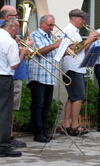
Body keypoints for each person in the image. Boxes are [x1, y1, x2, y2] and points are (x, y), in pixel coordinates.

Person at [0, 18, 28, 157]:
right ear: (11, 27)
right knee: (4, 114)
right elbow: (14, 64)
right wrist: (22, 53)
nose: (18, 32)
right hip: (2, 78)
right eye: (17, 29)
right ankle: (3, 147)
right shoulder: (9, 41)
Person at [0, 5, 29, 148]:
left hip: (16, 72)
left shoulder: (13, 28)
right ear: (8, 17)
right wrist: (23, 48)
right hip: (9, 73)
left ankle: (9, 135)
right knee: (6, 108)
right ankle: (5, 137)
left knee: (12, 108)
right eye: (15, 15)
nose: (18, 17)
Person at [61, 9, 98, 136]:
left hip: (77, 67)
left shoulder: (75, 31)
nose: (84, 21)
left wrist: (90, 42)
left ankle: (67, 125)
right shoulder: (68, 30)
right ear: (74, 18)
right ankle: (75, 125)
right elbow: (72, 50)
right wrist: (88, 39)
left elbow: (81, 49)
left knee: (73, 97)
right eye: (82, 18)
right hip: (72, 67)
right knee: (79, 97)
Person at [27, 14, 62, 142]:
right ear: (42, 24)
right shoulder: (34, 35)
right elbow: (39, 52)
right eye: (50, 25)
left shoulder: (50, 37)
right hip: (38, 76)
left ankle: (44, 130)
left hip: (49, 76)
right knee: (38, 105)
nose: (52, 28)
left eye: (53, 25)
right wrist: (55, 45)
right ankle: (37, 132)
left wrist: (62, 48)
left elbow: (53, 54)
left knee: (46, 105)